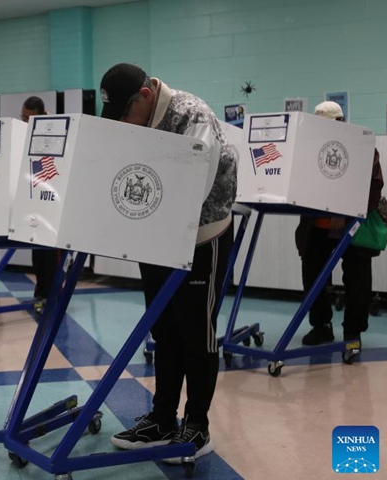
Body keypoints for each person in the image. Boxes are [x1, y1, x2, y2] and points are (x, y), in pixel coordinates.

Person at [99, 64, 237, 463]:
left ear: (145, 97)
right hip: (157, 237)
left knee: (197, 331)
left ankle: (197, 426)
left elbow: (194, 186)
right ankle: (162, 420)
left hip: (203, 236)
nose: (125, 124)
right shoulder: (139, 120)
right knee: (165, 330)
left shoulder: (191, 115)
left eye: (125, 113)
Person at [297, 101, 383, 350]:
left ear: (341, 122)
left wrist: (353, 209)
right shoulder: (309, 146)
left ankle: (353, 331)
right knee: (312, 274)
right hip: (317, 224)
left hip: (349, 224)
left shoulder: (362, 144)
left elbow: (375, 184)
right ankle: (321, 325)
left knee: (357, 279)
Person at [21, 96, 60, 311]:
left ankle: (52, 296)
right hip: (32, 198)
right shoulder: (25, 133)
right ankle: (41, 293)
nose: (25, 121)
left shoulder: (52, 132)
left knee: (50, 254)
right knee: (37, 251)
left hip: (50, 200)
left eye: (29, 117)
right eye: (23, 117)